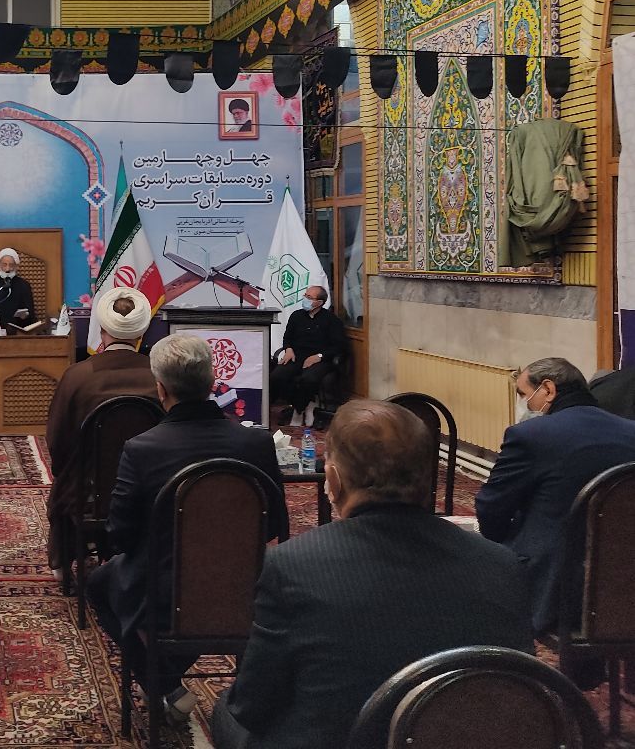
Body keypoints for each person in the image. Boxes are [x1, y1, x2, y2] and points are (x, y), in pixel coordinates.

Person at [213, 399, 533, 749]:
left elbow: (252, 706)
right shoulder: (502, 564)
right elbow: (522, 694)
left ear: (333, 480)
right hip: (464, 738)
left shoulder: (292, 565)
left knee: (225, 712)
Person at [86, 334, 285, 719]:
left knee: (98, 584)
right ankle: (176, 681)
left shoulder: (142, 449)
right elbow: (275, 524)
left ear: (160, 389)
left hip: (165, 594)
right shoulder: (257, 443)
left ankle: (163, 681)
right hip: (247, 587)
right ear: (212, 383)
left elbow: (120, 536)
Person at [476, 357, 635, 639]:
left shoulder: (530, 435)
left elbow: (491, 508)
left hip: (552, 587)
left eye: (524, 394)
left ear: (548, 389)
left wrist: (499, 545)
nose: (524, 404)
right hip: (621, 581)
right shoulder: (630, 432)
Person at [44, 286, 158, 575]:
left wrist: (67, 472)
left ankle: (68, 562)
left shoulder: (78, 376)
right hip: (151, 490)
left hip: (88, 493)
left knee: (65, 480)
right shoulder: (160, 376)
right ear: (141, 333)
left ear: (102, 330)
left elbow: (58, 441)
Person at [268, 286, 347, 427]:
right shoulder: (296, 316)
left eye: (309, 298)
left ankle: (299, 411)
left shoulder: (332, 320)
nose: (305, 299)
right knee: (277, 377)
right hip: (296, 356)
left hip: (320, 359)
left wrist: (319, 356)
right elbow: (287, 337)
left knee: (308, 379)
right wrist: (288, 349)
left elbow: (338, 346)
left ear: (320, 303)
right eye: (305, 295)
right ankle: (303, 404)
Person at [0, 248, 36, 329]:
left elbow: (30, 312)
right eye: (4, 265)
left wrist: (25, 316)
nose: (7, 269)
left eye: (11, 265)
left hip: (18, 329)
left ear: (16, 266)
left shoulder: (24, 285)